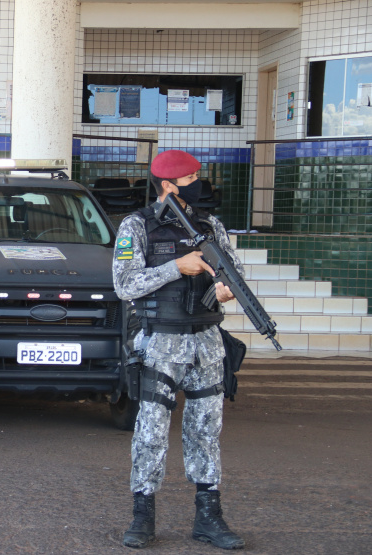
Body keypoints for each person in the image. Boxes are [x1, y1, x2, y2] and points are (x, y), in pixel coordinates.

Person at [112, 150, 246, 550]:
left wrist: (226, 289)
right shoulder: (136, 227)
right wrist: (177, 267)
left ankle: (209, 517)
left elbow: (233, 274)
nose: (199, 185)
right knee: (151, 432)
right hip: (159, 344)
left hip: (206, 344)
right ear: (167, 185)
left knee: (206, 432)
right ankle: (142, 515)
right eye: (191, 178)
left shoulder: (211, 225)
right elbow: (124, 285)